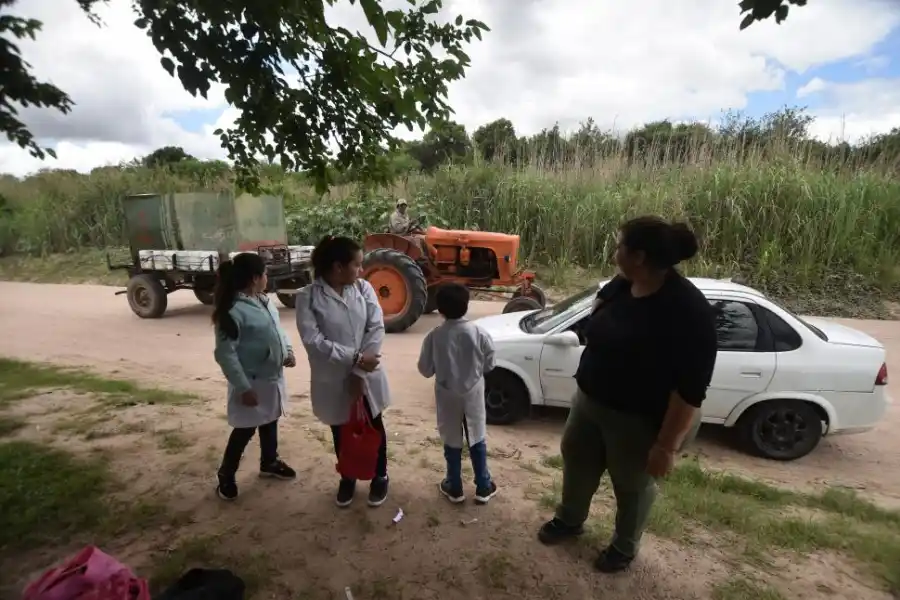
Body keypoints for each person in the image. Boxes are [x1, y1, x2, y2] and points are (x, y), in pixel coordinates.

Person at [537, 216, 717, 573]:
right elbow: (597, 315)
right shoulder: (623, 284)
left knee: (631, 485)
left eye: (619, 245)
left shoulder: (689, 311)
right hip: (589, 402)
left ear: (639, 256)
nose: (614, 252)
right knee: (577, 461)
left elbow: (690, 391)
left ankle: (624, 545)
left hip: (639, 419)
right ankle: (570, 520)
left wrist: (665, 447)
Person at [295, 236, 391, 508]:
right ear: (338, 267)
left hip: (366, 375)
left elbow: (376, 328)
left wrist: (359, 373)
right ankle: (347, 476)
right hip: (333, 379)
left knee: (374, 425)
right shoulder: (308, 298)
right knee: (341, 429)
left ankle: (379, 475)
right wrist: (356, 358)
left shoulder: (363, 289)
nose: (361, 271)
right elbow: (314, 342)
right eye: (357, 265)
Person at [212, 252, 297, 501]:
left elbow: (277, 330)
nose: (267, 278)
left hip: (271, 377)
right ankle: (226, 475)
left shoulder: (263, 301)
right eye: (265, 273)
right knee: (244, 430)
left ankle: (269, 462)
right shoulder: (233, 311)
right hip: (251, 382)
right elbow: (225, 354)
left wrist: (287, 350)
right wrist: (243, 387)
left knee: (270, 419)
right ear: (254, 278)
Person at [417, 283, 499, 505]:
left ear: (440, 309)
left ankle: (454, 486)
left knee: (452, 439)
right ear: (466, 305)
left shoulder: (434, 337)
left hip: (447, 394)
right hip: (473, 392)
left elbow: (425, 370)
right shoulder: (479, 332)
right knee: (477, 436)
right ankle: (483, 486)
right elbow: (490, 363)